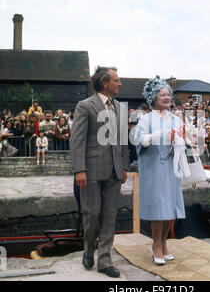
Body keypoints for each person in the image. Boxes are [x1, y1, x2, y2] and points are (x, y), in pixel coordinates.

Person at [70, 66, 129, 278]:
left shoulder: (121, 108)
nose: (120, 84)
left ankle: (104, 260)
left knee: (110, 216)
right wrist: (79, 170)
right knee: (92, 214)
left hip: (114, 171)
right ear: (105, 83)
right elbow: (77, 140)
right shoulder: (85, 106)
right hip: (91, 170)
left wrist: (124, 166)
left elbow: (123, 141)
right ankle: (88, 250)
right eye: (116, 80)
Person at [134, 76, 185, 266]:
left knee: (169, 206)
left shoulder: (175, 118)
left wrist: (183, 139)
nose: (166, 97)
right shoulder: (145, 119)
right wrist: (157, 135)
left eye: (168, 94)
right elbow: (139, 141)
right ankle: (155, 245)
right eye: (162, 94)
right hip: (154, 165)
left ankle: (164, 243)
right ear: (153, 97)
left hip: (172, 165)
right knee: (158, 206)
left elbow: (183, 139)